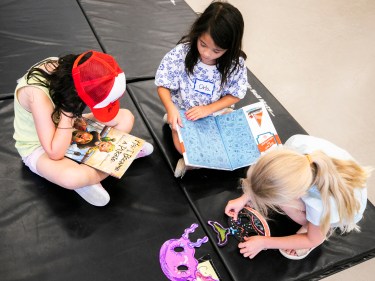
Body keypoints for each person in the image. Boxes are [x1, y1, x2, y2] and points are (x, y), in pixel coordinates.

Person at [13, 50, 153, 207]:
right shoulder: (37, 95)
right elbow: (54, 152)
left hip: (70, 122)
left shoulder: (70, 74)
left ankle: (103, 165)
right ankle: (116, 159)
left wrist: (73, 115)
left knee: (126, 117)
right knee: (72, 177)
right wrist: (68, 112)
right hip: (41, 146)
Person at [224, 134, 371, 260]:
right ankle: (314, 224)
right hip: (335, 180)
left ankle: (320, 227)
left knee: (309, 228)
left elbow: (311, 239)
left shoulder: (322, 205)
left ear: (297, 195)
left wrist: (265, 243)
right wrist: (245, 197)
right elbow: (270, 172)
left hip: (341, 207)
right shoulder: (294, 148)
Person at [155, 1, 248, 177]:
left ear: (229, 48)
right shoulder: (181, 53)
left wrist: (209, 109)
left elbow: (235, 95)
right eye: (203, 44)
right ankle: (191, 159)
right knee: (180, 145)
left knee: (240, 138)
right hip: (186, 114)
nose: (207, 54)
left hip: (216, 112)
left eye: (217, 50)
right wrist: (171, 108)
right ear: (197, 33)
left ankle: (195, 163)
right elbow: (163, 85)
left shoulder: (234, 64)